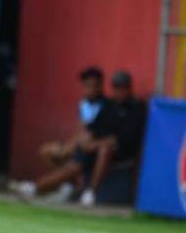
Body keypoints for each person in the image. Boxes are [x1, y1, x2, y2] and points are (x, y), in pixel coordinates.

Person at [10, 70, 146, 207]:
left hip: (116, 152)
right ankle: (34, 188)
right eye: (116, 88)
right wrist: (85, 143)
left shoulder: (135, 107)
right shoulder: (108, 106)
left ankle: (90, 193)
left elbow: (125, 138)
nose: (119, 92)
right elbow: (92, 128)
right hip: (93, 148)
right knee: (71, 165)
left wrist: (94, 144)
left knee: (104, 149)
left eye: (122, 88)